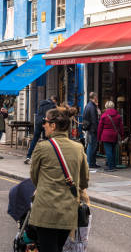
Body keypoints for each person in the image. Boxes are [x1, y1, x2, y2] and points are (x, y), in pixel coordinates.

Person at [29, 107, 89, 252]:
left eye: (45, 122)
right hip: (68, 212)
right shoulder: (78, 147)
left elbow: (34, 177)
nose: (43, 125)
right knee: (58, 247)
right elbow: (84, 180)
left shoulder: (42, 147)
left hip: (45, 211)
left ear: (53, 126)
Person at [25, 95, 58, 164]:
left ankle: (28, 156)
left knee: (34, 139)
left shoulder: (42, 103)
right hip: (45, 123)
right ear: (54, 100)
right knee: (47, 140)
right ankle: (45, 158)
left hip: (38, 123)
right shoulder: (52, 105)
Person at [97, 100, 123, 172]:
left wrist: (98, 137)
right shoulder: (118, 116)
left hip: (106, 136)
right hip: (114, 135)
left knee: (108, 151)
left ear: (106, 107)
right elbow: (121, 127)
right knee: (113, 151)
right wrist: (122, 136)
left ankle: (110, 167)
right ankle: (113, 165)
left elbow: (100, 128)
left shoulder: (104, 116)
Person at [82, 92, 101, 168]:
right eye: (96, 97)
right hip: (93, 130)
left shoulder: (88, 105)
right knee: (92, 146)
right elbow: (94, 120)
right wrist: (97, 130)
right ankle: (90, 163)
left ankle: (92, 163)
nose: (97, 98)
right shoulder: (92, 107)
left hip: (90, 129)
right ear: (94, 97)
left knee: (91, 146)